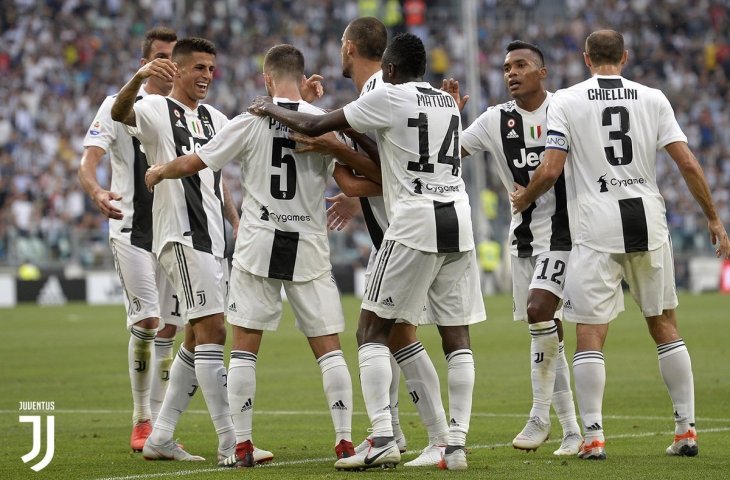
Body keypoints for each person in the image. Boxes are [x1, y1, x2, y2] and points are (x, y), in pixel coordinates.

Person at [249, 32, 486, 471]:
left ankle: (381, 436)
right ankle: (453, 444)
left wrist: (270, 106)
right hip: (460, 220)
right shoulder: (446, 104)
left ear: (390, 70)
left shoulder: (389, 96)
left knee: (369, 331)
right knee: (457, 337)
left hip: (414, 222)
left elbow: (318, 126)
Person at [144, 43, 380, 468]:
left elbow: (196, 162)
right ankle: (345, 442)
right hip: (307, 243)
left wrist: (160, 169)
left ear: (267, 79)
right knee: (328, 348)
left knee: (245, 350)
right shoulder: (322, 124)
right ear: (300, 75)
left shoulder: (248, 121)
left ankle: (242, 445)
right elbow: (352, 183)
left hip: (258, 244)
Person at [511, 29, 730, 460]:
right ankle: (686, 430)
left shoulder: (567, 102)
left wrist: (524, 196)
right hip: (647, 219)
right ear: (625, 57)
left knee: (590, 334)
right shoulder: (653, 98)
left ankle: (592, 437)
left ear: (587, 58)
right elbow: (686, 161)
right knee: (664, 325)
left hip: (596, 226)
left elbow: (551, 170)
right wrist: (713, 216)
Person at [314, 16, 452, 468]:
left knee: (376, 331)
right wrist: (354, 194)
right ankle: (425, 437)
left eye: (340, 45)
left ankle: (388, 436)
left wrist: (334, 152)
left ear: (349, 48)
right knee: (396, 334)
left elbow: (385, 173)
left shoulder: (380, 94)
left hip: (406, 231)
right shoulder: (377, 92)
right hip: (415, 227)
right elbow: (383, 169)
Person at [110, 37, 243, 462]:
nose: (206, 75)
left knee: (194, 336)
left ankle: (161, 437)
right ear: (179, 70)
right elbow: (119, 112)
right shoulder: (153, 108)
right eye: (199, 67)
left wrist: (235, 222)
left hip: (213, 239)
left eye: (211, 68)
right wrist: (140, 77)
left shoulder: (217, 117)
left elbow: (218, 178)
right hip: (180, 236)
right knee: (215, 331)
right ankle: (231, 443)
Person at [458, 40, 582, 456]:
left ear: (542, 72)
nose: (511, 72)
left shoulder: (565, 111)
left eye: (521, 65)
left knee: (538, 312)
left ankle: (539, 416)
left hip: (565, 235)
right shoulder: (495, 120)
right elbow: (450, 150)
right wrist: (448, 117)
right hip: (523, 239)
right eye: (507, 66)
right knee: (547, 332)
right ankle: (571, 430)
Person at [77, 26, 184, 452]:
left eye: (173, 56)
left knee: (169, 330)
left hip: (173, 231)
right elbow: (89, 160)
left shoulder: (184, 109)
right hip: (131, 229)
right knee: (147, 323)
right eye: (160, 56)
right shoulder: (116, 104)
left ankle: (158, 421)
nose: (168, 63)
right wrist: (97, 191)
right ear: (144, 63)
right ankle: (141, 419)